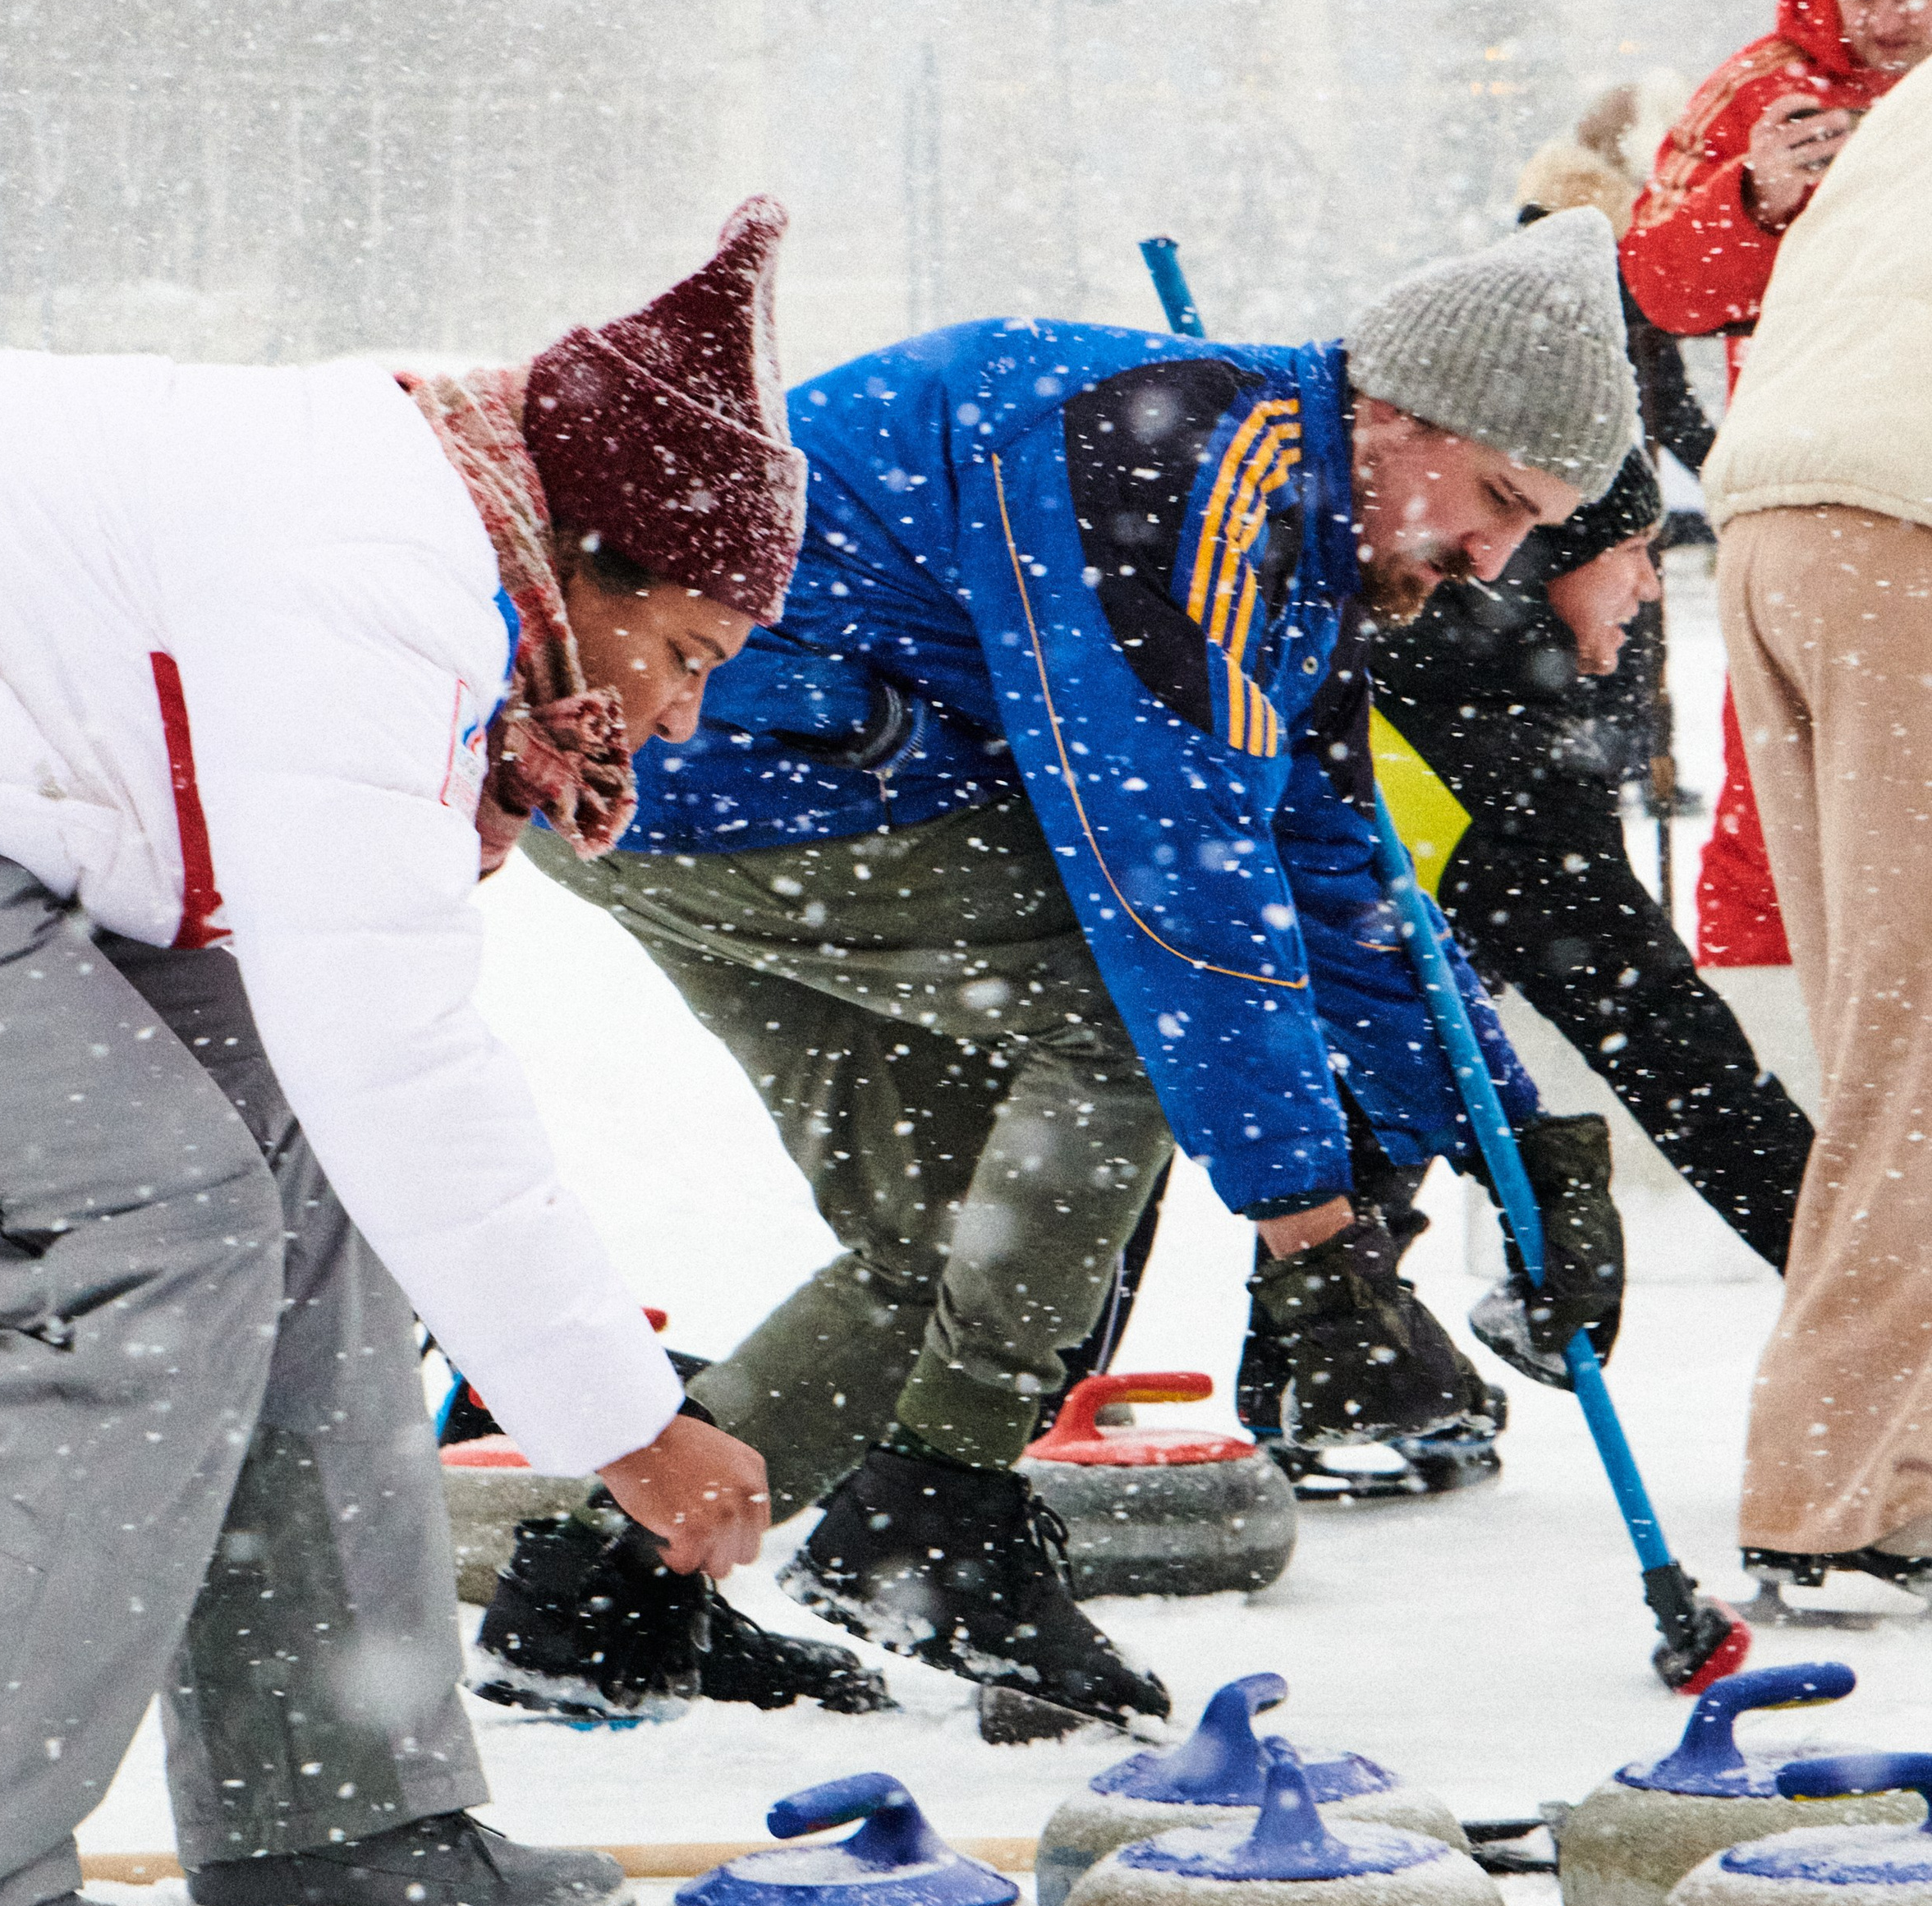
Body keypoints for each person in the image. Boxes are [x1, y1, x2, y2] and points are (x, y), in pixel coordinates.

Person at [501, 208, 1638, 1732]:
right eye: (1495, 498)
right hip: (727, 759)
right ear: (1400, 411)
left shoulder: (1298, 526)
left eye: (1533, 527)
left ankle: (609, 1598)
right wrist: (1316, 1243)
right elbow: (1176, 895)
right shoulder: (1176, 474)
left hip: (711, 798)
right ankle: (941, 1511)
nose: (1496, 559)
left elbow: (1326, 858)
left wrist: (1518, 1148)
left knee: (960, 1241)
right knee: (1126, 1020)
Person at [0, 200, 804, 1906]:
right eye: (685, 657)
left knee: (280, 1159)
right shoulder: (383, 572)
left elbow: (345, 1062)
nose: (677, 718)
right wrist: (622, 1425)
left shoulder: (421, 519)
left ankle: (340, 1830)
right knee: (149, 1221)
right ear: (590, 563)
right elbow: (392, 1040)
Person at [1365, 450, 1814, 1292]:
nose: (1648, 587)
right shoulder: (1497, 745)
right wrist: (1854, 1267)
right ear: (1541, 555)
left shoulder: (1407, 672)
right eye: (1633, 550)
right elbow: (1662, 1037)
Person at [1621, 0, 1932, 974]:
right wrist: (1755, 199)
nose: (1879, 21)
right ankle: (1779, 1039)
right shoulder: (1764, 90)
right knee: (1786, 794)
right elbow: (1654, 282)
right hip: (1818, 486)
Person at [1704, 52, 1932, 1598]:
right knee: (1917, 1051)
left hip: (1784, 528)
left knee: (1885, 1032)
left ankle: (1875, 1468)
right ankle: (1836, 1496)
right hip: (1906, 529)